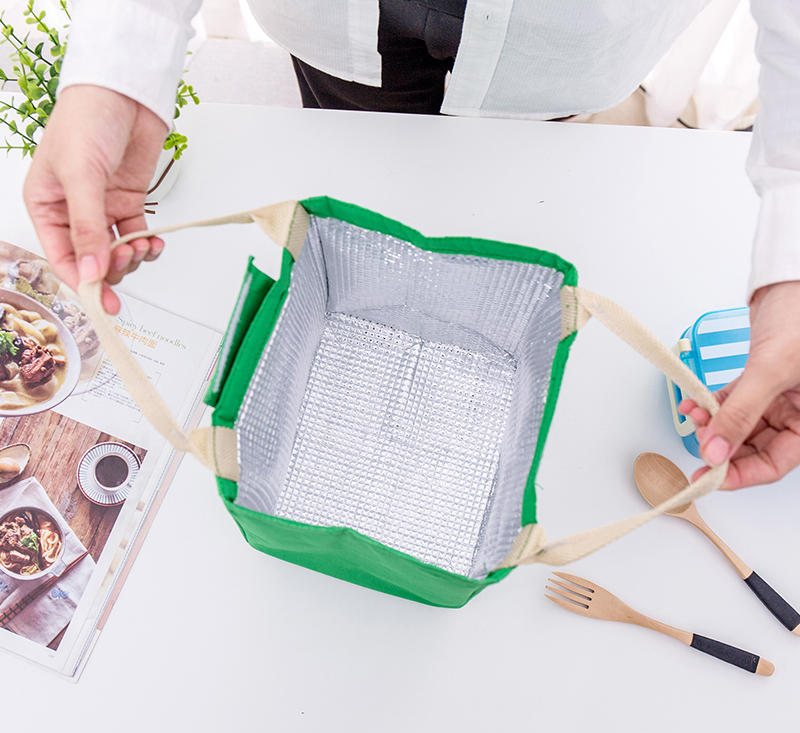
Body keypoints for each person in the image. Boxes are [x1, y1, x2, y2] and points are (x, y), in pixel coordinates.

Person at [23, 1, 800, 490]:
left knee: (521, 184)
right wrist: (118, 65)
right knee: (355, 145)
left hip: (559, 47)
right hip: (338, 28)